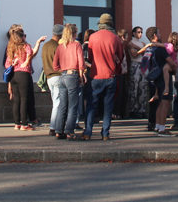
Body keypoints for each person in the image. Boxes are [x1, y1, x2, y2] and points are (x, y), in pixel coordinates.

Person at [84, 13, 125, 141]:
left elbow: (90, 57)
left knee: (92, 105)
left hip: (96, 75)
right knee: (108, 107)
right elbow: (121, 57)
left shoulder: (92, 37)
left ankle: (88, 132)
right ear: (110, 23)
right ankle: (105, 133)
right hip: (110, 75)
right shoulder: (115, 38)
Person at [4, 26, 46, 130]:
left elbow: (7, 64)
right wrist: (37, 43)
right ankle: (24, 124)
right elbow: (31, 52)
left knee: (16, 100)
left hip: (13, 75)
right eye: (24, 35)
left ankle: (17, 123)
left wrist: (14, 63)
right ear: (21, 36)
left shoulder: (10, 47)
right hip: (23, 74)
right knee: (24, 99)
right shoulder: (25, 45)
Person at [52, 23, 85, 140]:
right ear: (73, 33)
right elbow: (81, 63)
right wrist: (81, 76)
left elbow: (54, 65)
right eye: (76, 32)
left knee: (62, 105)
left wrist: (61, 70)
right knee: (73, 106)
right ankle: (69, 131)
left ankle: (58, 130)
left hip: (62, 75)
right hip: (72, 75)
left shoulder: (60, 46)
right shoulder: (77, 45)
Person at [142, 27, 174, 135]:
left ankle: (157, 125)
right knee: (165, 102)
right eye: (159, 33)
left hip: (152, 78)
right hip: (162, 78)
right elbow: (170, 61)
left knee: (158, 103)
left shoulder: (149, 49)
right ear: (155, 35)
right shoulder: (160, 49)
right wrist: (175, 66)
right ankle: (162, 128)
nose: (160, 35)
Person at [40, 24, 64, 136]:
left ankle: (55, 126)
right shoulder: (57, 46)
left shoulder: (45, 46)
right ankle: (54, 127)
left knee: (55, 101)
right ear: (60, 34)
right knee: (58, 103)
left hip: (49, 77)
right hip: (58, 75)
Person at [127, 26, 147, 118]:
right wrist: (142, 49)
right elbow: (134, 54)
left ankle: (142, 109)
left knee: (142, 87)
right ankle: (133, 109)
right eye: (138, 32)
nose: (140, 34)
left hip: (142, 65)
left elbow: (146, 53)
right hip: (135, 65)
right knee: (134, 87)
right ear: (134, 33)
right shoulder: (131, 42)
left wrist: (139, 49)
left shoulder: (142, 43)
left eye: (141, 32)